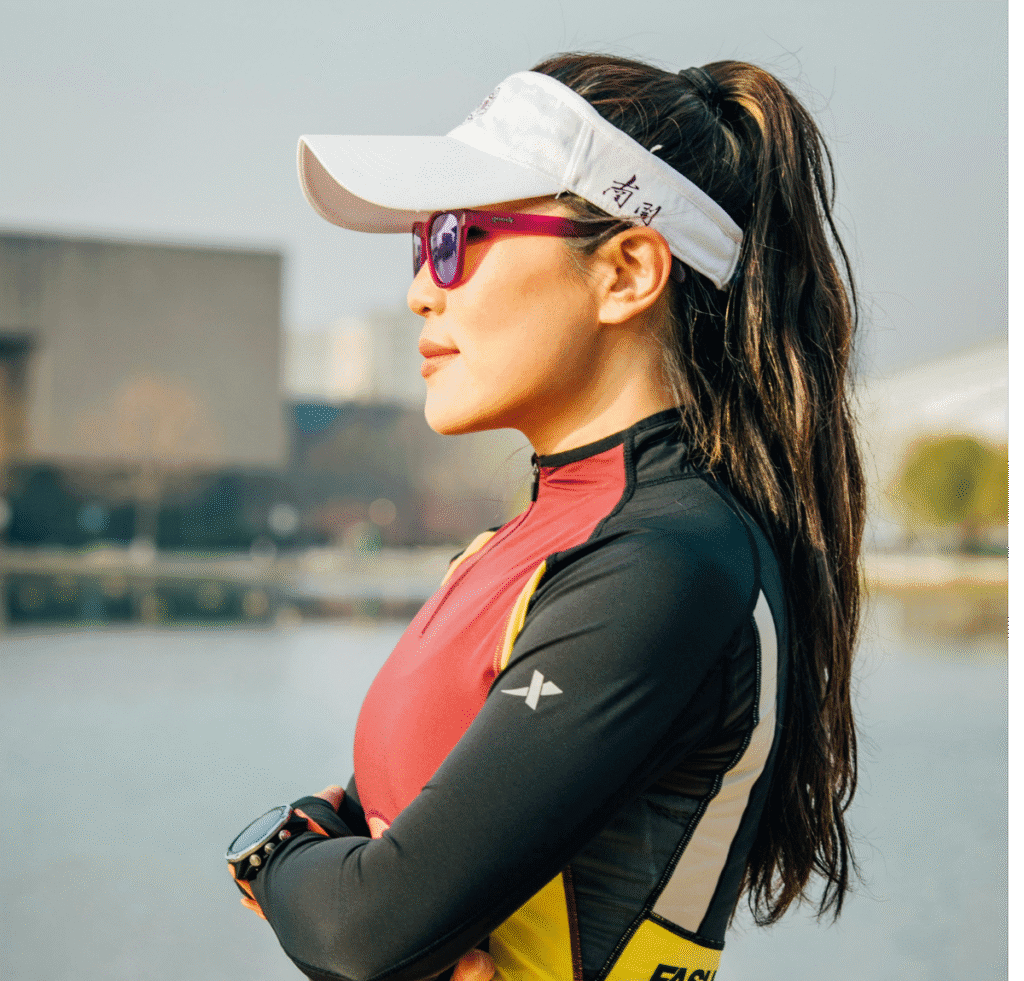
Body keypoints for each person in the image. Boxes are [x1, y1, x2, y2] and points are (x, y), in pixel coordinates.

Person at [226, 53, 864, 981]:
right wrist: (314, 869)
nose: (418, 288)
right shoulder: (523, 549)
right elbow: (365, 867)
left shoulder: (664, 563)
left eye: (457, 237)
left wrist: (267, 855)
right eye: (418, 245)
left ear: (627, 271)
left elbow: (363, 927)